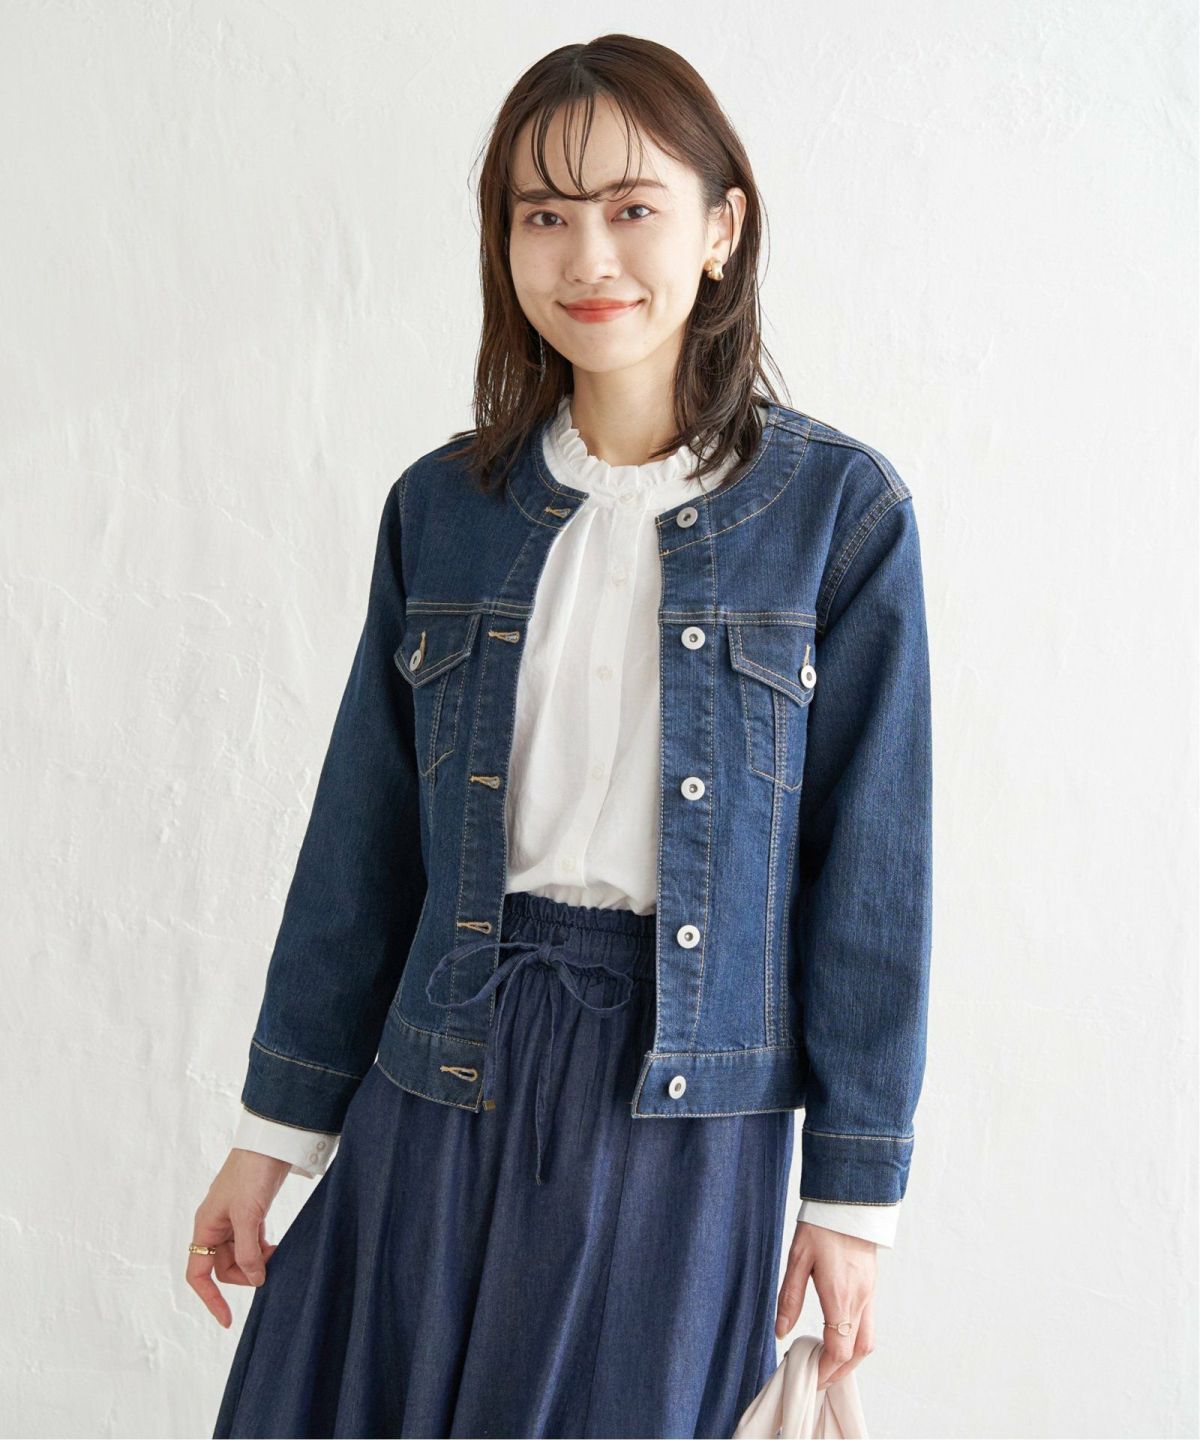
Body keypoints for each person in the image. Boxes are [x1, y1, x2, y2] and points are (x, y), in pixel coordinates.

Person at [190, 33, 933, 1440]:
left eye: (632, 207)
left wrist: (852, 1201)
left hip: (681, 1110)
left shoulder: (839, 519)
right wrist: (271, 1135)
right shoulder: (443, 509)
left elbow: (874, 885)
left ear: (721, 228)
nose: (588, 255)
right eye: (543, 214)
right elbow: (360, 846)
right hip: (442, 1060)